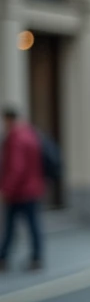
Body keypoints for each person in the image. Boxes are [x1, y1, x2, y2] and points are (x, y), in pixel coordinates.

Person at [0, 106, 46, 272]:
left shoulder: (15, 138)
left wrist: (6, 189)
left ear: (8, 119)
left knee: (11, 226)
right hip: (32, 189)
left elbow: (16, 168)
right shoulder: (30, 134)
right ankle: (36, 257)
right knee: (32, 225)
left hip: (20, 192)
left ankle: (3, 257)